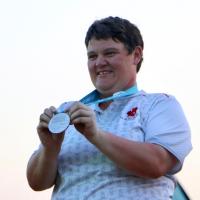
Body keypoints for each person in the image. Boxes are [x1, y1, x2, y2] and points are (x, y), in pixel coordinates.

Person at [26, 16, 192, 200]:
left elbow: (157, 164)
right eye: (92, 56)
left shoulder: (159, 105)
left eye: (110, 53)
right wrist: (50, 147)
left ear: (136, 55)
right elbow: (37, 183)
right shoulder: (68, 110)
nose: (99, 63)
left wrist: (96, 135)